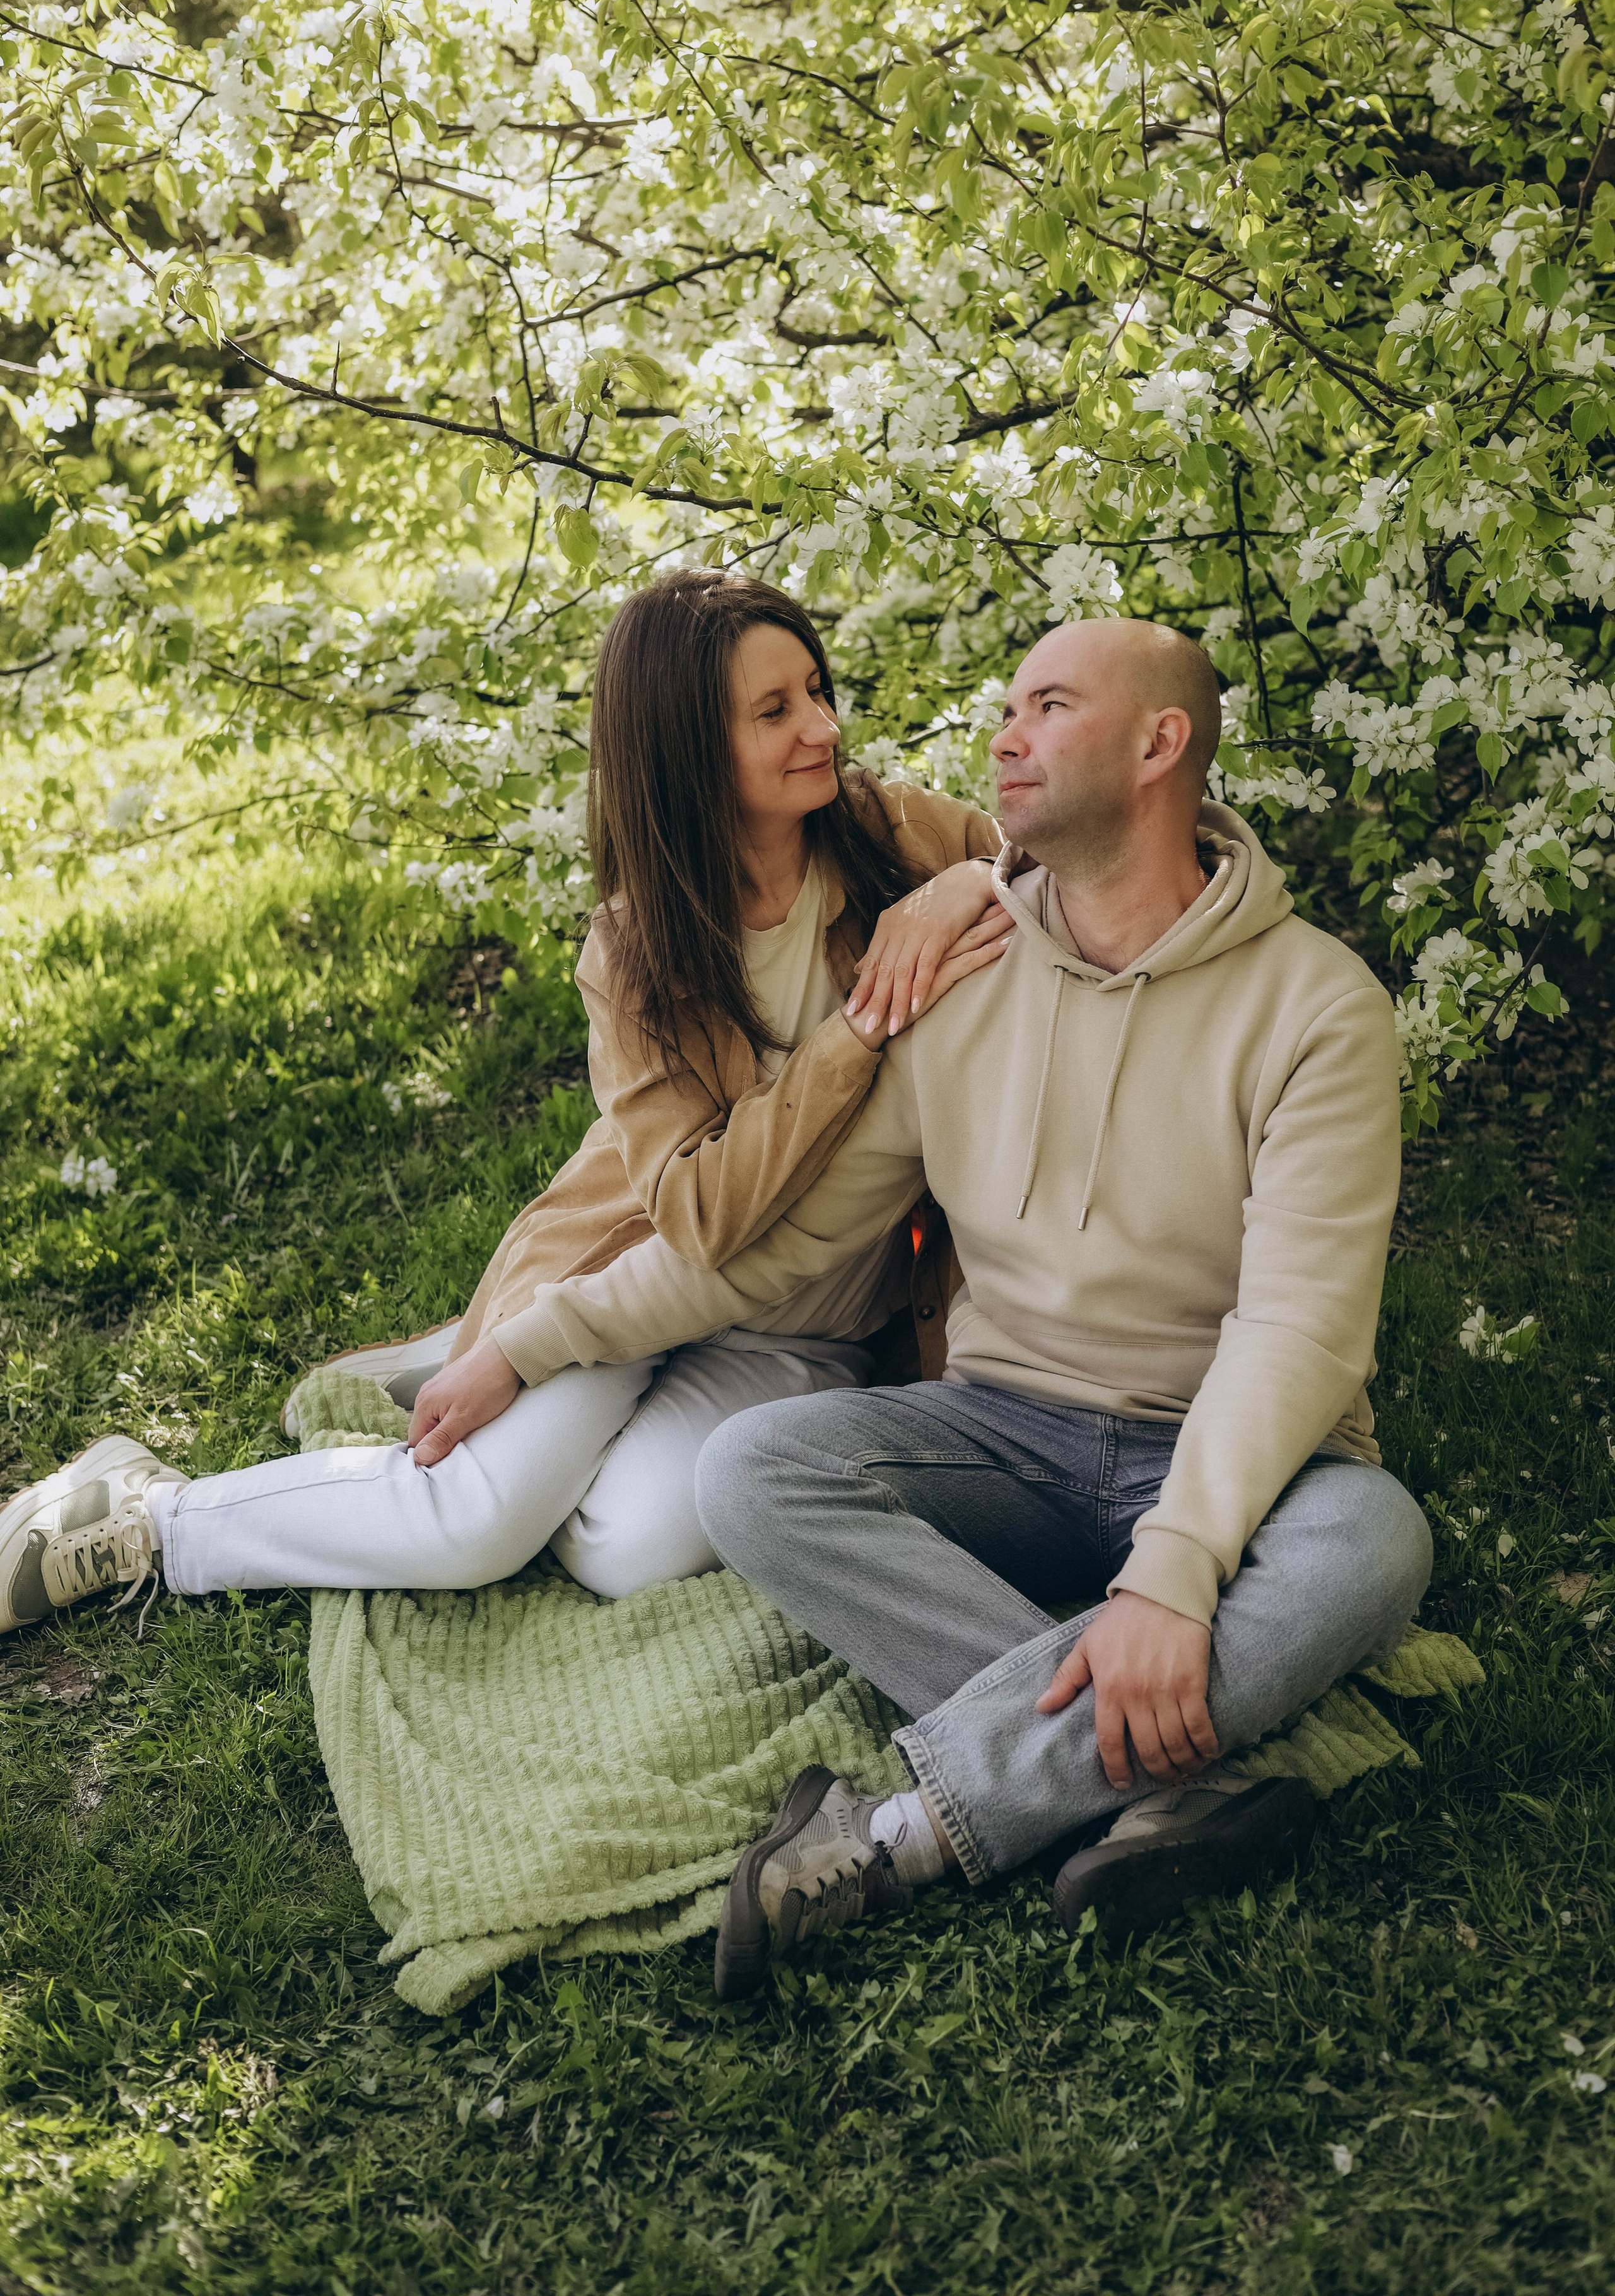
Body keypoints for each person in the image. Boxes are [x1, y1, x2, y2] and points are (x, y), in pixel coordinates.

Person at [437, 618, 1434, 1981]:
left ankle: (906, 1827)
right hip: (1000, 1440)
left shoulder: (1319, 1007)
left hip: (1242, 1464)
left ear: (1159, 745)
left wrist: (1174, 1567)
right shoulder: (960, 981)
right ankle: (1180, 1766)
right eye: (1005, 707)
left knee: (1373, 1543)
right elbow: (780, 1253)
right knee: (752, 1472)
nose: (1002, 736)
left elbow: (1298, 1332)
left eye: (1046, 707)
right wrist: (530, 1343)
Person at [1, 570, 1011, 1635]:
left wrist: (966, 885)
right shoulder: (636, 949)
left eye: (816, 689)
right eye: (776, 711)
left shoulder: (900, 839)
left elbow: (1060, 865)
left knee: (627, 1548)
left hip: (807, 1330)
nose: (823, 726)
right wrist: (855, 1036)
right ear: (686, 748)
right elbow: (705, 1213)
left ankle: (484, 1394)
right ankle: (147, 1515)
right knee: (474, 1526)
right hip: (631, 1275)